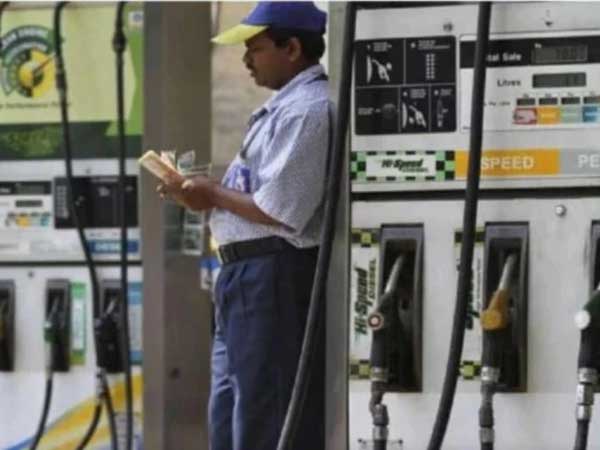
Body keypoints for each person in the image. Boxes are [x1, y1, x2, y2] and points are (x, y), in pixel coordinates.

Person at [157, 2, 330, 449]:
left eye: (255, 49)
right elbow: (254, 197)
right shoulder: (280, 110)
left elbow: (282, 211)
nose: (246, 60)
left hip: (273, 276)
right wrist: (198, 193)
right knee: (230, 414)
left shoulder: (308, 111)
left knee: (264, 414)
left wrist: (212, 193)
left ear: (292, 48)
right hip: (243, 276)